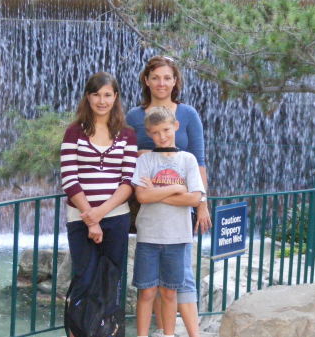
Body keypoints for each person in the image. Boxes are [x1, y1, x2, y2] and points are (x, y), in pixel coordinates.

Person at [126, 56, 212, 337]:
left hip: (177, 209)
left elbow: (199, 160)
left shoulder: (187, 115)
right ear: (146, 80)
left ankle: (174, 332)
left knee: (176, 280)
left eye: (167, 77)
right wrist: (175, 189)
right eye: (156, 77)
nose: (161, 83)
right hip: (148, 205)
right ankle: (160, 330)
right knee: (149, 286)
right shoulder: (134, 117)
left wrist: (201, 203)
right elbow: (129, 159)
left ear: (175, 81)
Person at [60, 71, 137, 336]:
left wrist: (99, 215)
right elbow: (69, 179)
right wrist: (89, 217)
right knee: (84, 278)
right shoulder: (73, 132)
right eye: (96, 95)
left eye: (107, 95)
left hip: (116, 219)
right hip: (79, 219)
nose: (101, 101)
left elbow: (128, 181)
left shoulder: (127, 134)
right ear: (88, 97)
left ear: (115, 97)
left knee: (110, 282)